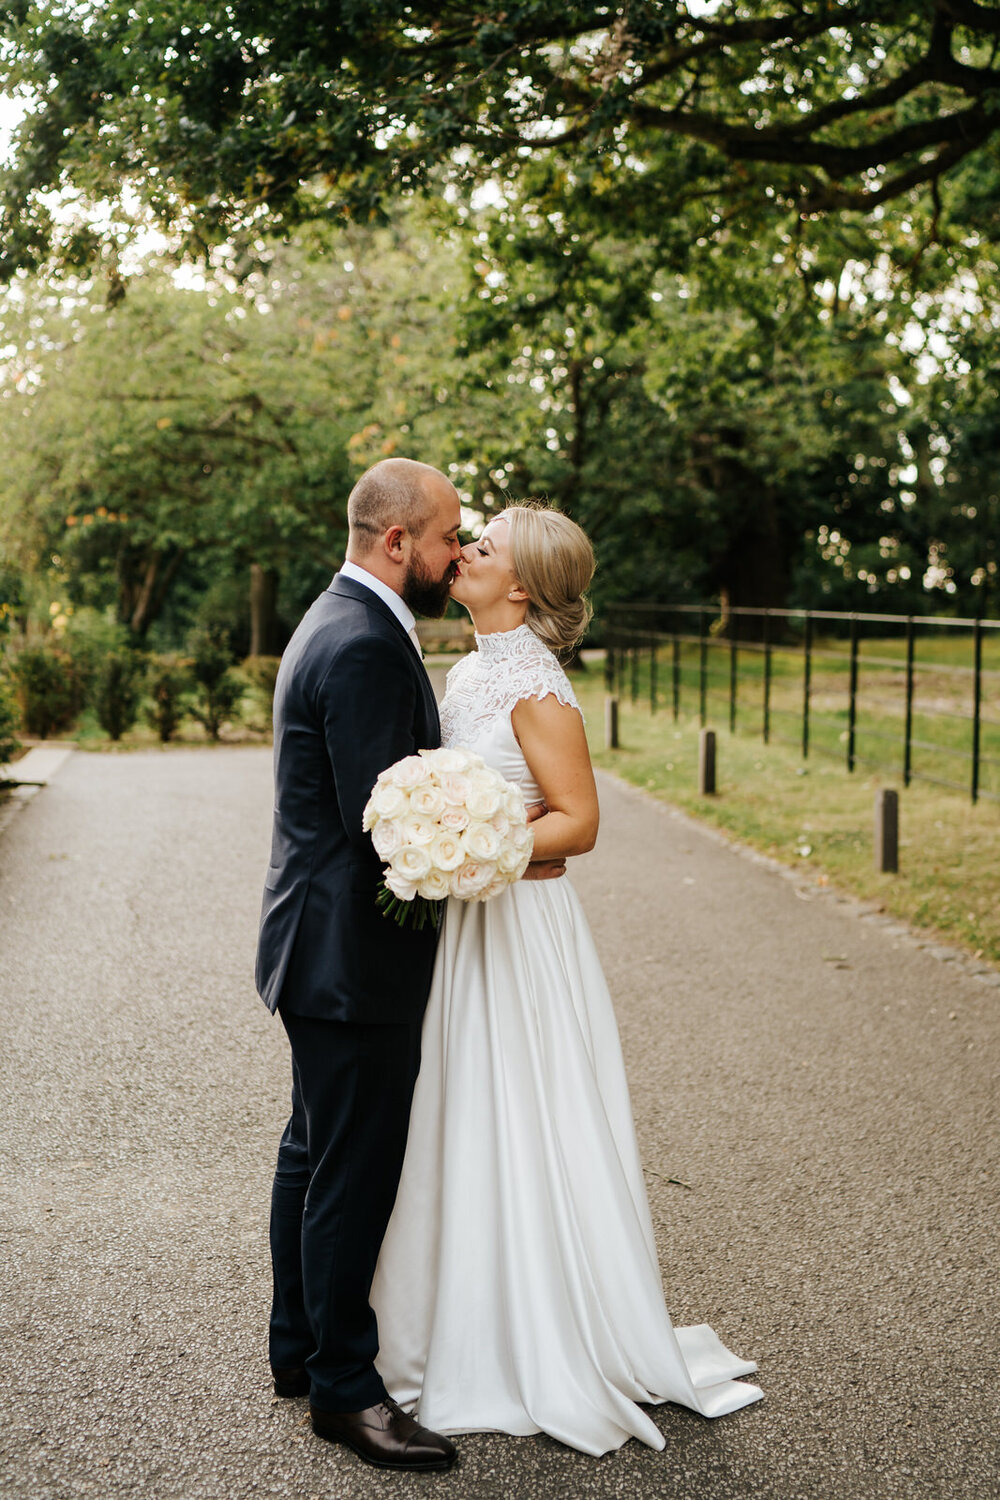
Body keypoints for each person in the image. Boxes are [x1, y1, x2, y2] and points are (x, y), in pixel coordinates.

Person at [371, 502, 763, 1455]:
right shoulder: (469, 668)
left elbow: (578, 821)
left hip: (516, 929)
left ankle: (536, 1338)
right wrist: (453, 852)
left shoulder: (534, 683)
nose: (463, 551)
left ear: (523, 587)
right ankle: (451, 1311)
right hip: (472, 922)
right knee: (462, 1111)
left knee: (524, 1110)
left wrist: (474, 851)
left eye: (485, 546)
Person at [254, 457, 465, 1474]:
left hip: (312, 946)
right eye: (444, 537)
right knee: (350, 1169)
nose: (454, 553)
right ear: (396, 542)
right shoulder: (367, 645)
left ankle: (295, 1349)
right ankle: (343, 1388)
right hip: (352, 959)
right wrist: (478, 855)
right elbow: (387, 825)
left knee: (311, 1150)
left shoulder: (336, 617)